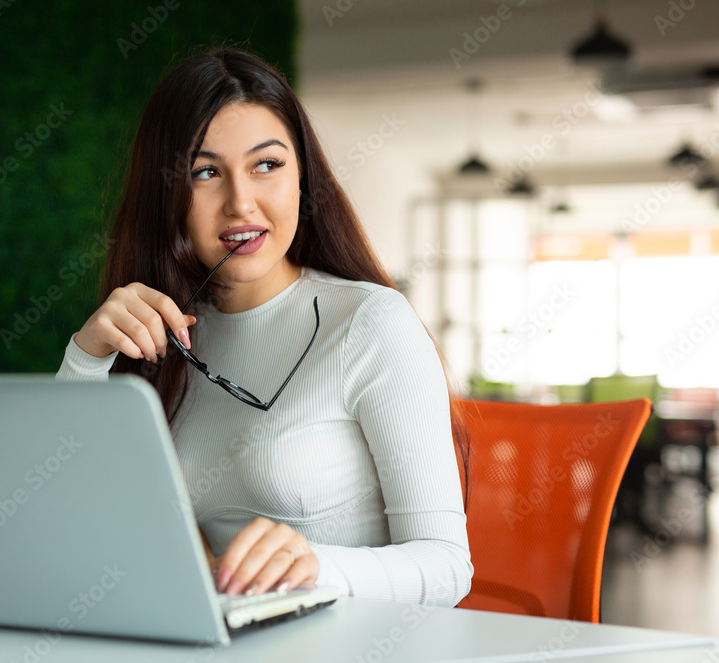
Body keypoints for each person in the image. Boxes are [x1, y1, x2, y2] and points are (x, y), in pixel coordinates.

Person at [55, 46, 472, 607]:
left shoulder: (371, 323)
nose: (240, 202)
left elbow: (447, 568)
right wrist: (86, 358)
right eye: (206, 172)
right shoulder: (163, 341)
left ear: (303, 177)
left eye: (267, 165)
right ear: (169, 198)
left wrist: (313, 569)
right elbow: (62, 522)